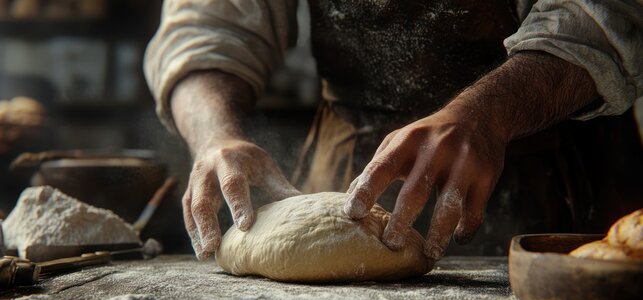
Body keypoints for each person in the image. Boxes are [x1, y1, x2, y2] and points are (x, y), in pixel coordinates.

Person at [144, 1, 643, 260]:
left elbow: (604, 15)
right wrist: (216, 135)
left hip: (556, 168)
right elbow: (207, 28)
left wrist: (489, 114)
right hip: (348, 172)